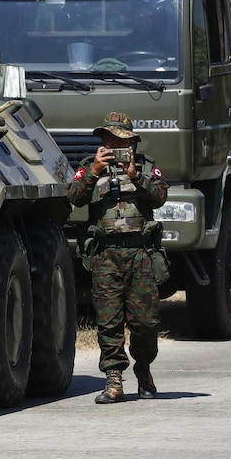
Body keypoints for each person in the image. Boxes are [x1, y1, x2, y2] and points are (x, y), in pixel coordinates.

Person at [67, 112, 169, 404]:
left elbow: (160, 197)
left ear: (131, 141)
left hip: (140, 253)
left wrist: (136, 176)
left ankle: (145, 368)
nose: (112, 144)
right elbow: (74, 196)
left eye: (118, 139)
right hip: (106, 254)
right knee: (108, 321)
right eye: (107, 139)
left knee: (146, 323)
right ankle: (114, 380)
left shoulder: (146, 166)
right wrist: (93, 172)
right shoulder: (90, 166)